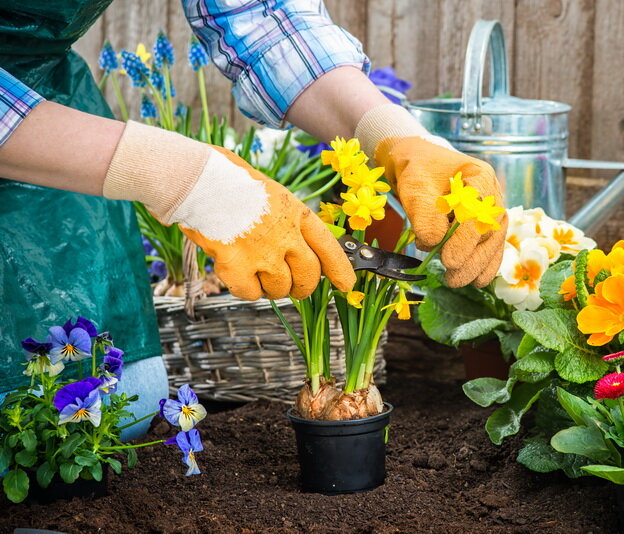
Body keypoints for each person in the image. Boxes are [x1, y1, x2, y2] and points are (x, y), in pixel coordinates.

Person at [0, 0, 507, 438]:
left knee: (121, 404)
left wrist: (392, 134)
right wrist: (175, 175)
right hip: (46, 137)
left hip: (54, 117)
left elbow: (263, 13)